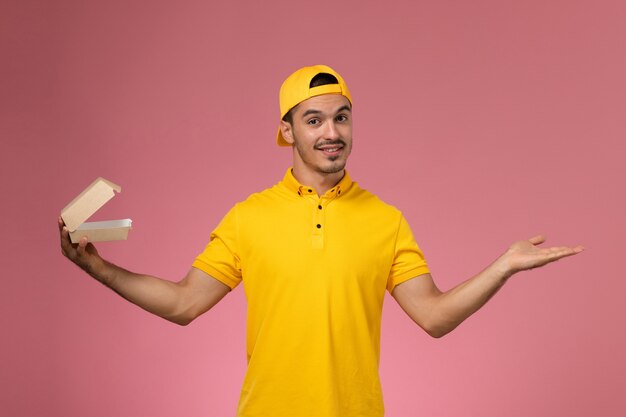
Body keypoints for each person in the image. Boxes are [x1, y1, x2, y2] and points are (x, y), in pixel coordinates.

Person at [59, 64, 584, 417]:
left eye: (341, 117)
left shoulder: (385, 220)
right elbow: (183, 302)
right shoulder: (249, 217)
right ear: (288, 131)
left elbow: (434, 317)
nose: (331, 132)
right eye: (313, 120)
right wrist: (101, 270)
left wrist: (503, 267)